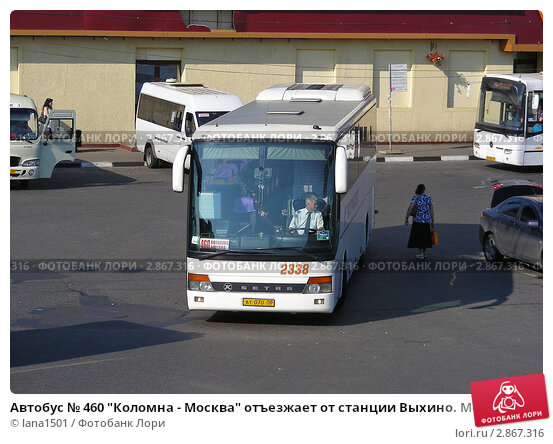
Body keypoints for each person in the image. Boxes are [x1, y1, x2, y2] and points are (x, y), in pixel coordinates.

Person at [405, 184, 434, 259]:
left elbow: (410, 208)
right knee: (425, 237)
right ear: (424, 190)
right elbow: (431, 210)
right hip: (426, 221)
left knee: (418, 237)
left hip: (417, 221)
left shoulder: (415, 198)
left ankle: (421, 252)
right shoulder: (428, 198)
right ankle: (424, 253)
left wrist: (407, 217)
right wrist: (432, 221)